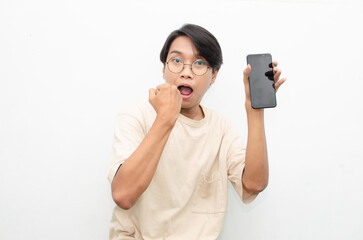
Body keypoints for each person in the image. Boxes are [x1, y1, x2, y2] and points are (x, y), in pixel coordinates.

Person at [107, 23, 286, 239]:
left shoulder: (220, 128)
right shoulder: (136, 115)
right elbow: (123, 195)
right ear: (164, 68)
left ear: (214, 75)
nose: (186, 72)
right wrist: (165, 118)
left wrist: (254, 109)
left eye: (199, 63)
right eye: (176, 61)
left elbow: (255, 183)